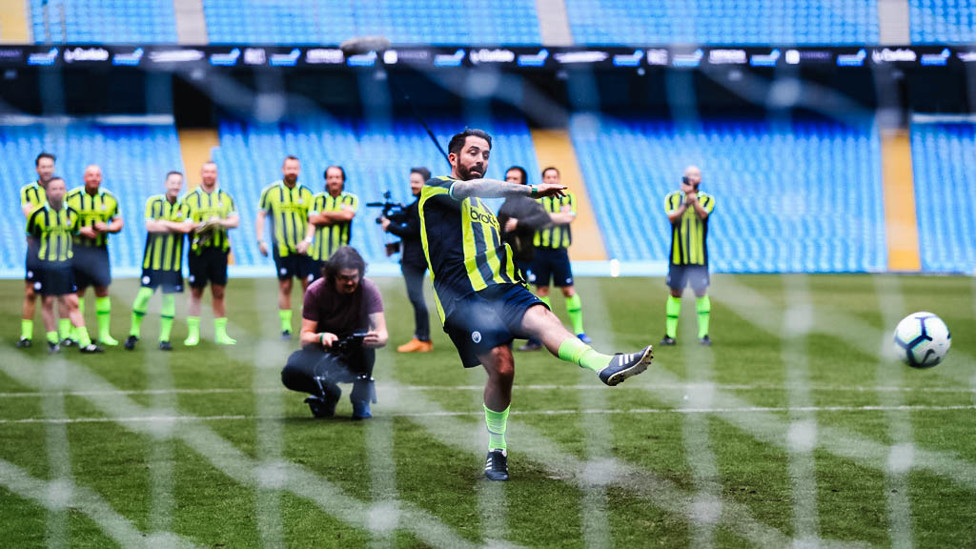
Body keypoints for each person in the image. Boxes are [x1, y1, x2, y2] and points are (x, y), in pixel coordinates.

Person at [418, 128, 653, 481]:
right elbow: (468, 189)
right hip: (466, 298)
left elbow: (501, 248)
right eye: (473, 153)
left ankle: (603, 363)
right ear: (453, 158)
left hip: (507, 288)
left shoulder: (483, 210)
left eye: (485, 155)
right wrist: (530, 190)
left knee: (545, 318)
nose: (480, 160)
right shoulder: (435, 188)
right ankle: (497, 449)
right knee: (503, 367)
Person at [281, 247, 388, 419]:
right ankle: (328, 393)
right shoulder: (315, 291)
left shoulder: (369, 289)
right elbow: (305, 337)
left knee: (365, 343)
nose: (350, 282)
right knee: (291, 372)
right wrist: (321, 337)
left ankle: (361, 399)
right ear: (332, 276)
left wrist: (377, 339)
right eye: (344, 278)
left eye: (354, 277)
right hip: (322, 351)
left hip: (355, 352)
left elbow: (382, 333)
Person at [26, 176, 102, 354]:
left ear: (65, 191)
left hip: (65, 266)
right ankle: (53, 340)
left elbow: (75, 232)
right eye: (54, 189)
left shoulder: (73, 214)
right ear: (47, 192)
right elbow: (30, 239)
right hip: (45, 266)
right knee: (48, 301)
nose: (58, 192)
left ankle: (84, 342)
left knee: (72, 302)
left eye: (61, 188)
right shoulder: (37, 215)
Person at [124, 171, 194, 351]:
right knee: (145, 295)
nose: (175, 186)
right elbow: (150, 226)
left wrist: (164, 223)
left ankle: (164, 338)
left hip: (173, 264)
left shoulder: (185, 206)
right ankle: (133, 333)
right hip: (152, 261)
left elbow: (187, 228)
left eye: (179, 183)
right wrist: (175, 225)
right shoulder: (153, 202)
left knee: (168, 298)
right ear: (165, 184)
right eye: (172, 182)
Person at [524, 166, 591, 349]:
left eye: (554, 177)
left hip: (560, 252)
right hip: (539, 251)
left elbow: (568, 218)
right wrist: (558, 216)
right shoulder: (536, 200)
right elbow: (535, 220)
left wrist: (545, 217)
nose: (552, 180)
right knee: (542, 291)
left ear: (559, 178)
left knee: (568, 290)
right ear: (544, 180)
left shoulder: (569, 197)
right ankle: (547, 332)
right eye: (548, 177)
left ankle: (579, 331)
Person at [256, 155, 315, 339]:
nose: (292, 171)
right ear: (283, 169)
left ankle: (307, 325)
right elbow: (261, 215)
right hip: (281, 247)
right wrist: (260, 240)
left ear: (299, 170)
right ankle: (286, 328)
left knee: (308, 286)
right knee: (285, 285)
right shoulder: (271, 191)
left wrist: (307, 240)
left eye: (295, 168)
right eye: (289, 168)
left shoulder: (306, 192)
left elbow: (312, 219)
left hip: (304, 248)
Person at [183, 161, 240, 346]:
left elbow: (235, 221)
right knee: (196, 291)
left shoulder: (225, 197)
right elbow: (184, 224)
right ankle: (193, 334)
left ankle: (221, 333)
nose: (209, 175)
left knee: (219, 291)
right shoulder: (190, 197)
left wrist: (219, 222)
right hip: (198, 251)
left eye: (212, 172)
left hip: (219, 251)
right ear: (201, 174)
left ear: (216, 174)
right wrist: (201, 226)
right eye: (206, 172)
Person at [66, 165, 124, 346]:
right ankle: (75, 332)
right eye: (90, 175)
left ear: (101, 178)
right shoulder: (72, 197)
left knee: (102, 290)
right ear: (84, 177)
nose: (94, 178)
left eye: (97, 175)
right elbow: (62, 220)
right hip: (77, 250)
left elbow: (118, 223)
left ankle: (104, 334)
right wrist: (79, 230)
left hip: (99, 251)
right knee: (78, 292)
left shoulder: (110, 198)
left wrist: (107, 227)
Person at [18, 152, 72, 348]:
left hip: (58, 249)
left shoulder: (61, 189)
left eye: (50, 166)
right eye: (43, 166)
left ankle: (65, 335)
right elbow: (30, 215)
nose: (47, 169)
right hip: (37, 247)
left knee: (62, 293)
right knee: (31, 292)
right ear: (37, 169)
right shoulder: (28, 190)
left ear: (53, 168)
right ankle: (26, 335)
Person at [497, 165, 552, 352]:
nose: (510, 182)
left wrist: (520, 224)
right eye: (508, 178)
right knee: (511, 299)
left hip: (523, 258)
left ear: (522, 182)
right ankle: (512, 337)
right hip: (508, 259)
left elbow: (544, 220)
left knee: (519, 299)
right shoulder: (505, 203)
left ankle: (534, 338)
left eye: (515, 179)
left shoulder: (528, 203)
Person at [661, 165, 716, 346]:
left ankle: (704, 334)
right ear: (684, 178)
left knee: (701, 292)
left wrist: (694, 201)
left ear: (700, 179)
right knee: (675, 292)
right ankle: (670, 335)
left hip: (698, 256)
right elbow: (672, 217)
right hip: (678, 256)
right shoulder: (672, 198)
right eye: (690, 175)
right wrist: (686, 203)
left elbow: (703, 214)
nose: (693, 177)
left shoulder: (707, 199)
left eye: (696, 175)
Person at [381, 166, 434, 353]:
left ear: (426, 183)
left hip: (414, 260)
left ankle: (422, 338)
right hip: (414, 257)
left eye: (416, 182)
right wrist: (395, 245)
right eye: (411, 181)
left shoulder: (422, 204)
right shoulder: (418, 203)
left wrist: (389, 226)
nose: (413, 185)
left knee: (417, 298)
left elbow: (413, 231)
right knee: (417, 298)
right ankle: (422, 337)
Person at [306, 165, 358, 280]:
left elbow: (348, 215)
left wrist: (325, 213)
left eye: (337, 177)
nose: (334, 180)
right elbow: (313, 219)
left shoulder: (351, 198)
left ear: (343, 180)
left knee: (339, 293)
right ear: (326, 180)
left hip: (341, 256)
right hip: (318, 255)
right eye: (331, 177)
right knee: (316, 293)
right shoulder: (317, 198)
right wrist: (339, 215)